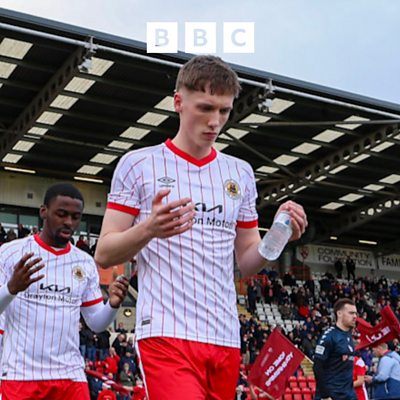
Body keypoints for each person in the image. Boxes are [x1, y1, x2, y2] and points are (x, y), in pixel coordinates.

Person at [95, 55, 308, 399]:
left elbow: (247, 261)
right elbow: (104, 253)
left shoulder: (240, 173)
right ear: (178, 102)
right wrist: (149, 229)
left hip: (224, 337)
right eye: (206, 108)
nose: (215, 121)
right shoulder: (138, 164)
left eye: (224, 111)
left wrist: (279, 235)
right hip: (165, 334)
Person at [0, 183, 129, 400]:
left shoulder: (85, 262)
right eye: (62, 214)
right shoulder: (10, 253)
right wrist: (11, 289)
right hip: (21, 376)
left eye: (76, 217)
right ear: (44, 212)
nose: (69, 222)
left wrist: (113, 305)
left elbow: (96, 324)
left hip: (70, 377)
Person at [313, 298, 358, 400]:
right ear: (339, 313)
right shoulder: (329, 336)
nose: (355, 316)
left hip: (349, 394)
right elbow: (317, 366)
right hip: (332, 395)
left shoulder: (348, 335)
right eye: (351, 313)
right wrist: (325, 395)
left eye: (355, 313)